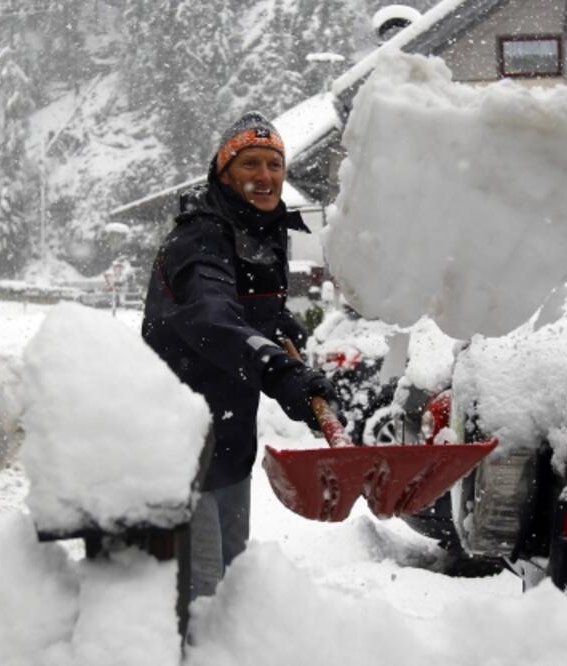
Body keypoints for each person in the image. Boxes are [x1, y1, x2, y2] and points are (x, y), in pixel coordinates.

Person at [141, 112, 338, 602]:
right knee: (199, 587)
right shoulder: (199, 236)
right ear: (223, 173)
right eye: (250, 162)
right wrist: (279, 371)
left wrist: (282, 327)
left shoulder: (261, 228)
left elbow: (247, 304)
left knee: (232, 577)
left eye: (275, 163)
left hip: (229, 437)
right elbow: (212, 317)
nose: (265, 175)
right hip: (179, 441)